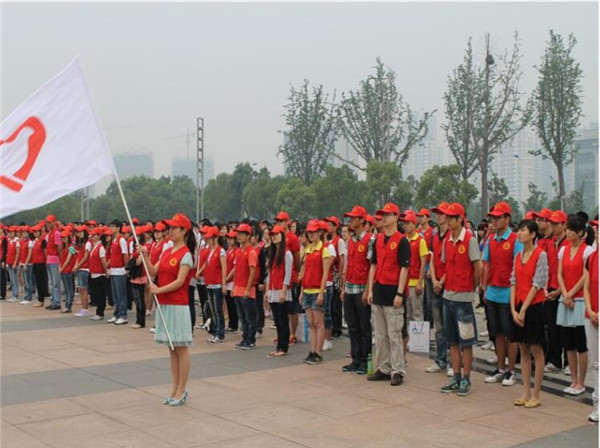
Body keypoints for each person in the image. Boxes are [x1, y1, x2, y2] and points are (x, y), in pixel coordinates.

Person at [140, 213, 195, 406]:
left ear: (183, 231)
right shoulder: (166, 251)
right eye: (168, 228)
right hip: (165, 304)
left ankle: (182, 389)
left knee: (181, 348)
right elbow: (154, 271)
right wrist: (145, 256)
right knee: (172, 349)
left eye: (173, 228)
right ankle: (174, 387)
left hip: (178, 305)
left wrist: (158, 289)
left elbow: (180, 282)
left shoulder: (186, 255)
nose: (169, 231)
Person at [439, 202, 482, 396]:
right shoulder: (447, 239)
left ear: (460, 219)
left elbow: (477, 267)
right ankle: (455, 377)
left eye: (450, 217)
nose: (446, 220)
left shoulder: (470, 239)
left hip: (463, 298)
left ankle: (466, 378)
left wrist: (471, 288)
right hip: (448, 296)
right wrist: (443, 282)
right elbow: (447, 266)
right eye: (446, 217)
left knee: (466, 341)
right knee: (452, 341)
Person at [367, 203, 410, 386]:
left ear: (396, 216)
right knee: (381, 335)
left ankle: (397, 370)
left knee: (394, 334)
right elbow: (373, 266)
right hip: (378, 290)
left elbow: (404, 268)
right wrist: (370, 289)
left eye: (387, 214)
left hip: (393, 292)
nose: (383, 218)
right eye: (381, 215)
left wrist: (400, 292)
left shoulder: (402, 240)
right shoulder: (377, 240)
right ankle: (383, 368)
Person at [483, 202, 522, 387]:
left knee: (510, 334)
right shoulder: (491, 239)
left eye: (499, 217)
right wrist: (483, 287)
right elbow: (487, 264)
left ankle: (511, 370)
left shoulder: (515, 240)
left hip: (508, 294)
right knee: (497, 333)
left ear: (507, 219)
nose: (494, 220)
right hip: (492, 293)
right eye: (493, 217)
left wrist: (516, 293)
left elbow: (518, 267)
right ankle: (500, 368)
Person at [510, 219, 548, 409]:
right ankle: (525, 391)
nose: (519, 233)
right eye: (519, 230)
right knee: (523, 349)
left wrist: (523, 309)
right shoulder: (518, 256)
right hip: (519, 306)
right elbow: (513, 281)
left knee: (536, 350)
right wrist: (513, 308)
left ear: (533, 234)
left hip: (533, 307)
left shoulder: (541, 255)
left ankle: (536, 394)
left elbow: (537, 283)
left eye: (523, 230)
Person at [556, 214, 593, 396]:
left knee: (581, 343)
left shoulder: (587, 252)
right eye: (567, 229)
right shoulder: (563, 250)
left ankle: (582, 382)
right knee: (568, 343)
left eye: (571, 229)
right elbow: (559, 274)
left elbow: (585, 276)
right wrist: (564, 294)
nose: (568, 232)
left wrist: (570, 294)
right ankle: (573, 379)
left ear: (581, 232)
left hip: (579, 300)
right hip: (565, 300)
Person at [342, 205, 372, 374]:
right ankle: (355, 358)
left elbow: (370, 267)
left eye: (354, 218)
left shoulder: (369, 240)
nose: (351, 221)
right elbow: (348, 265)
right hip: (349, 287)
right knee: (352, 326)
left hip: (361, 288)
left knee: (364, 327)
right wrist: (343, 288)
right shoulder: (350, 241)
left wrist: (367, 290)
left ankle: (364, 360)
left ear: (361, 220)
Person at [299, 219, 333, 365]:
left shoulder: (323, 250)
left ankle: (318, 352)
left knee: (319, 323)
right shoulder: (308, 249)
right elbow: (305, 270)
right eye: (309, 232)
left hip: (317, 290)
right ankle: (312, 351)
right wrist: (301, 291)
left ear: (319, 233)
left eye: (313, 232)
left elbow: (325, 273)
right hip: (307, 289)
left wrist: (321, 292)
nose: (311, 235)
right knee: (311, 323)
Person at [426, 202, 452, 376]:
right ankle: (441, 359)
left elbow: (451, 263)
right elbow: (433, 259)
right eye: (437, 213)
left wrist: (441, 281)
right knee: (439, 325)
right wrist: (434, 279)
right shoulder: (434, 236)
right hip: (435, 284)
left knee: (450, 325)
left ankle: (452, 361)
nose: (439, 216)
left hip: (448, 284)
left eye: (442, 213)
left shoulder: (452, 236)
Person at [545, 210, 569, 373]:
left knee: (567, 327)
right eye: (551, 223)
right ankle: (555, 360)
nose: (553, 226)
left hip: (566, 291)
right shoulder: (550, 242)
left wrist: (560, 291)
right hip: (550, 287)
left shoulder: (568, 244)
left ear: (564, 225)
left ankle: (568, 362)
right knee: (552, 326)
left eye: (556, 223)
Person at [274, 211, 301, 345]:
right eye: (278, 221)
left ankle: (292, 333)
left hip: (292, 278)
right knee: (281, 311)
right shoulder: (278, 237)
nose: (279, 223)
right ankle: (283, 334)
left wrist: (296, 273)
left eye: (281, 221)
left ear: (287, 222)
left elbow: (297, 258)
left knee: (292, 308)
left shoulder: (293, 237)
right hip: (279, 279)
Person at [266, 225, 293, 357]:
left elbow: (287, 274)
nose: (274, 237)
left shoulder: (287, 253)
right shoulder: (273, 253)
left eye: (276, 234)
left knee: (282, 320)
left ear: (282, 236)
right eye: (272, 235)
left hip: (281, 290)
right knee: (277, 320)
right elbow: (270, 274)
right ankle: (279, 346)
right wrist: (268, 290)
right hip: (273, 290)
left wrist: (283, 290)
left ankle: (284, 347)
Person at [199, 226, 227, 342]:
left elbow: (224, 268)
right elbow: (206, 263)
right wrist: (200, 272)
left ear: (215, 238)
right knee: (212, 309)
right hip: (209, 283)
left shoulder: (220, 251)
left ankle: (220, 333)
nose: (208, 240)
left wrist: (224, 284)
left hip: (217, 284)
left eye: (210, 238)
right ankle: (215, 331)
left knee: (218, 310)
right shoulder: (210, 250)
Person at [233, 223, 258, 350]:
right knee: (242, 317)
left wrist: (248, 289)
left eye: (242, 234)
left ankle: (251, 339)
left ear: (248, 236)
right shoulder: (239, 251)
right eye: (238, 233)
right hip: (238, 288)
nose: (239, 236)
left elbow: (253, 271)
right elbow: (237, 270)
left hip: (247, 290)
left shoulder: (251, 252)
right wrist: (233, 288)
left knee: (249, 317)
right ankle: (245, 338)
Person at [583, 219, 598, 422]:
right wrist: (590, 309)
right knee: (596, 363)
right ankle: (597, 403)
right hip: (591, 315)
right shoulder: (592, 257)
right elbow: (586, 286)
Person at [325, 216, 346, 340]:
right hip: (330, 274)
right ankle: (332, 325)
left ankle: (337, 327)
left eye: (331, 225)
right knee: (331, 302)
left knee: (336, 302)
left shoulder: (339, 241)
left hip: (336, 273)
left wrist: (340, 274)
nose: (328, 227)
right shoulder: (329, 241)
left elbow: (342, 259)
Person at [107, 220, 130, 325]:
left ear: (118, 228)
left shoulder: (122, 240)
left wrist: (127, 268)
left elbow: (125, 255)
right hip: (113, 270)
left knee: (121, 295)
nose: (111, 229)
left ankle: (123, 315)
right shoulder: (114, 240)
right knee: (115, 295)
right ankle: (116, 314)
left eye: (113, 227)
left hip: (120, 270)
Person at [129, 226, 148, 329]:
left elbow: (139, 261)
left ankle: (141, 321)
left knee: (140, 299)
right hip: (135, 276)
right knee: (137, 299)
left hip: (140, 276)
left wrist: (132, 261)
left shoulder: (143, 247)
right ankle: (138, 319)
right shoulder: (135, 247)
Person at [89, 228, 109, 321]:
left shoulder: (100, 247)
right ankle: (98, 312)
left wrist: (106, 271)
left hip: (100, 274)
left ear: (98, 236)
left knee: (101, 295)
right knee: (97, 294)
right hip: (94, 274)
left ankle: (100, 313)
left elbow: (103, 261)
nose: (92, 237)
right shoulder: (94, 247)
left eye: (94, 235)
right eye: (92, 235)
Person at [44, 215, 63, 310]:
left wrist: (61, 261)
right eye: (47, 222)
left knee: (56, 282)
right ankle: (53, 299)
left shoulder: (56, 233)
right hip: (49, 259)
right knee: (51, 282)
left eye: (50, 222)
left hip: (55, 260)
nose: (48, 224)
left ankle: (57, 302)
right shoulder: (50, 233)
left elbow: (59, 247)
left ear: (54, 222)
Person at [73, 226, 92, 316]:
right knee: (81, 289)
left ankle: (85, 309)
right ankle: (83, 308)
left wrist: (77, 266)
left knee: (83, 289)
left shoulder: (87, 243)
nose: (78, 234)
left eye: (80, 232)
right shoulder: (82, 244)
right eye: (77, 232)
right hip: (80, 268)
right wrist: (76, 266)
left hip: (85, 268)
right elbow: (80, 256)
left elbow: (85, 257)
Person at [58, 230, 78, 313]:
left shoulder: (70, 247)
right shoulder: (64, 247)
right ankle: (67, 305)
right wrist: (60, 267)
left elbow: (68, 259)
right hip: (64, 270)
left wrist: (62, 268)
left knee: (69, 290)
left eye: (65, 237)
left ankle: (68, 306)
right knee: (67, 289)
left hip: (68, 270)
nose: (63, 239)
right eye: (62, 237)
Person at [224, 230, 239, 333]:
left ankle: (234, 325)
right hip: (227, 280)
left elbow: (235, 268)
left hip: (232, 281)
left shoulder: (237, 251)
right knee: (229, 304)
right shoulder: (228, 250)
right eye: (228, 238)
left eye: (231, 239)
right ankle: (231, 324)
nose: (229, 241)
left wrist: (227, 278)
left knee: (233, 304)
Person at [31, 225, 48, 307]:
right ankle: (40, 299)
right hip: (36, 264)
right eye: (34, 232)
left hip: (42, 264)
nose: (35, 233)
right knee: (38, 282)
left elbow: (45, 253)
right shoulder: (35, 241)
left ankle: (41, 299)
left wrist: (46, 262)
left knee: (42, 282)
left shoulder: (43, 241)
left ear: (40, 232)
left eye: (37, 232)